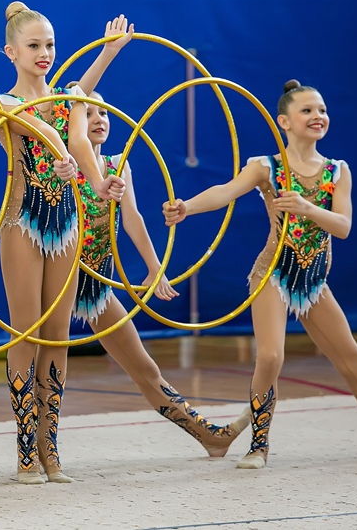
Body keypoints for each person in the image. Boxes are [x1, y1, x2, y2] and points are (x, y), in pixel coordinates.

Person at [163, 79, 357, 469]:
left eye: (322, 110)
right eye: (307, 111)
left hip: (313, 282)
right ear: (284, 121)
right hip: (274, 275)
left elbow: (343, 226)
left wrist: (307, 207)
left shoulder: (337, 171)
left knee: (353, 360)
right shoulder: (267, 167)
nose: (318, 116)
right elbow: (225, 191)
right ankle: (258, 445)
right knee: (270, 356)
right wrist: (187, 207)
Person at [0, 1, 129, 484]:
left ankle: (50, 448)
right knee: (27, 331)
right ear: (11, 51)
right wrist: (63, 151)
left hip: (66, 225)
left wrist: (101, 183)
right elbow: (39, 127)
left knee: (58, 338)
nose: (45, 53)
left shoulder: (70, 98)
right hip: (22, 223)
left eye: (51, 45)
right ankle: (25, 450)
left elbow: (82, 141)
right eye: (34, 46)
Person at [66, 83, 249, 455]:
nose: (98, 119)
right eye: (87, 114)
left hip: (97, 284)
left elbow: (132, 216)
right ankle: (35, 451)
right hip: (58, 279)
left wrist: (155, 267)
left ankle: (207, 435)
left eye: (102, 112)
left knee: (145, 367)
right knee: (46, 366)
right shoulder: (66, 166)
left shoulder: (118, 165)